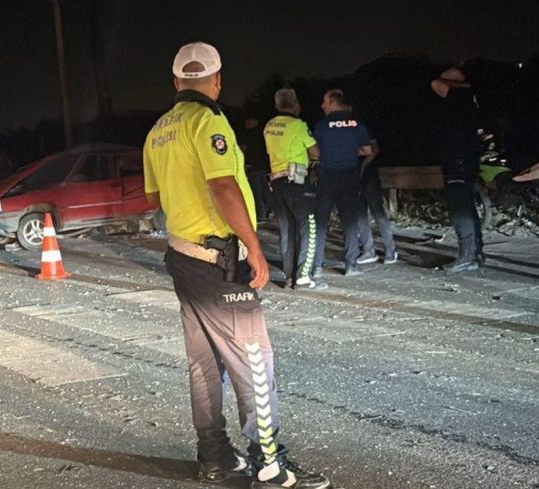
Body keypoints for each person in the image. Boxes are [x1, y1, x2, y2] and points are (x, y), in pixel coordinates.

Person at [143, 42, 330, 489]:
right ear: (217, 81)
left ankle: (215, 457)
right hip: (219, 263)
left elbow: (153, 198)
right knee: (253, 359)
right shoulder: (208, 122)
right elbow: (224, 185)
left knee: (204, 362)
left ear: (176, 81)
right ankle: (269, 461)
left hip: (183, 256)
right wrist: (254, 246)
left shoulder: (158, 130)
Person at [311, 89, 376, 278]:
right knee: (349, 221)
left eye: (325, 102)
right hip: (350, 177)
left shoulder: (322, 125)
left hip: (327, 177)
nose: (322, 105)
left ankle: (316, 266)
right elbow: (367, 150)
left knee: (320, 222)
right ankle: (351, 265)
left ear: (333, 102)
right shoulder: (357, 124)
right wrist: (348, 151)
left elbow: (314, 151)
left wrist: (329, 153)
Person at [263, 88, 322, 289]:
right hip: (297, 181)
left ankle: (289, 276)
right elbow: (315, 151)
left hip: (277, 182)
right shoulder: (298, 125)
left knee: (286, 228)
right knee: (308, 226)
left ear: (277, 105)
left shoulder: (269, 126)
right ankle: (303, 276)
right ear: (295, 104)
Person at [431, 67, 483, 272]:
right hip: (466, 158)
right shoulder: (469, 99)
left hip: (457, 159)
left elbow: (435, 83)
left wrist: (458, 83)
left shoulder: (460, 95)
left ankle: (467, 256)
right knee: (467, 206)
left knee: (460, 207)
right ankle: (475, 253)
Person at [356, 138, 398, 265]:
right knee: (360, 216)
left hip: (369, 178)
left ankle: (390, 251)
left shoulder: (364, 130)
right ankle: (368, 250)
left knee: (378, 213)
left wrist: (363, 166)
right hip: (356, 179)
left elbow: (374, 149)